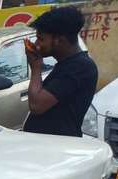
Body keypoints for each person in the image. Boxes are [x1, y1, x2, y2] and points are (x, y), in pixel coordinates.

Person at [22, 6, 98, 137]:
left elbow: (36, 105)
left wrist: (35, 67)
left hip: (58, 147)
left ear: (59, 40)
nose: (36, 44)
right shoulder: (67, 64)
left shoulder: (80, 67)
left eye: (40, 38)